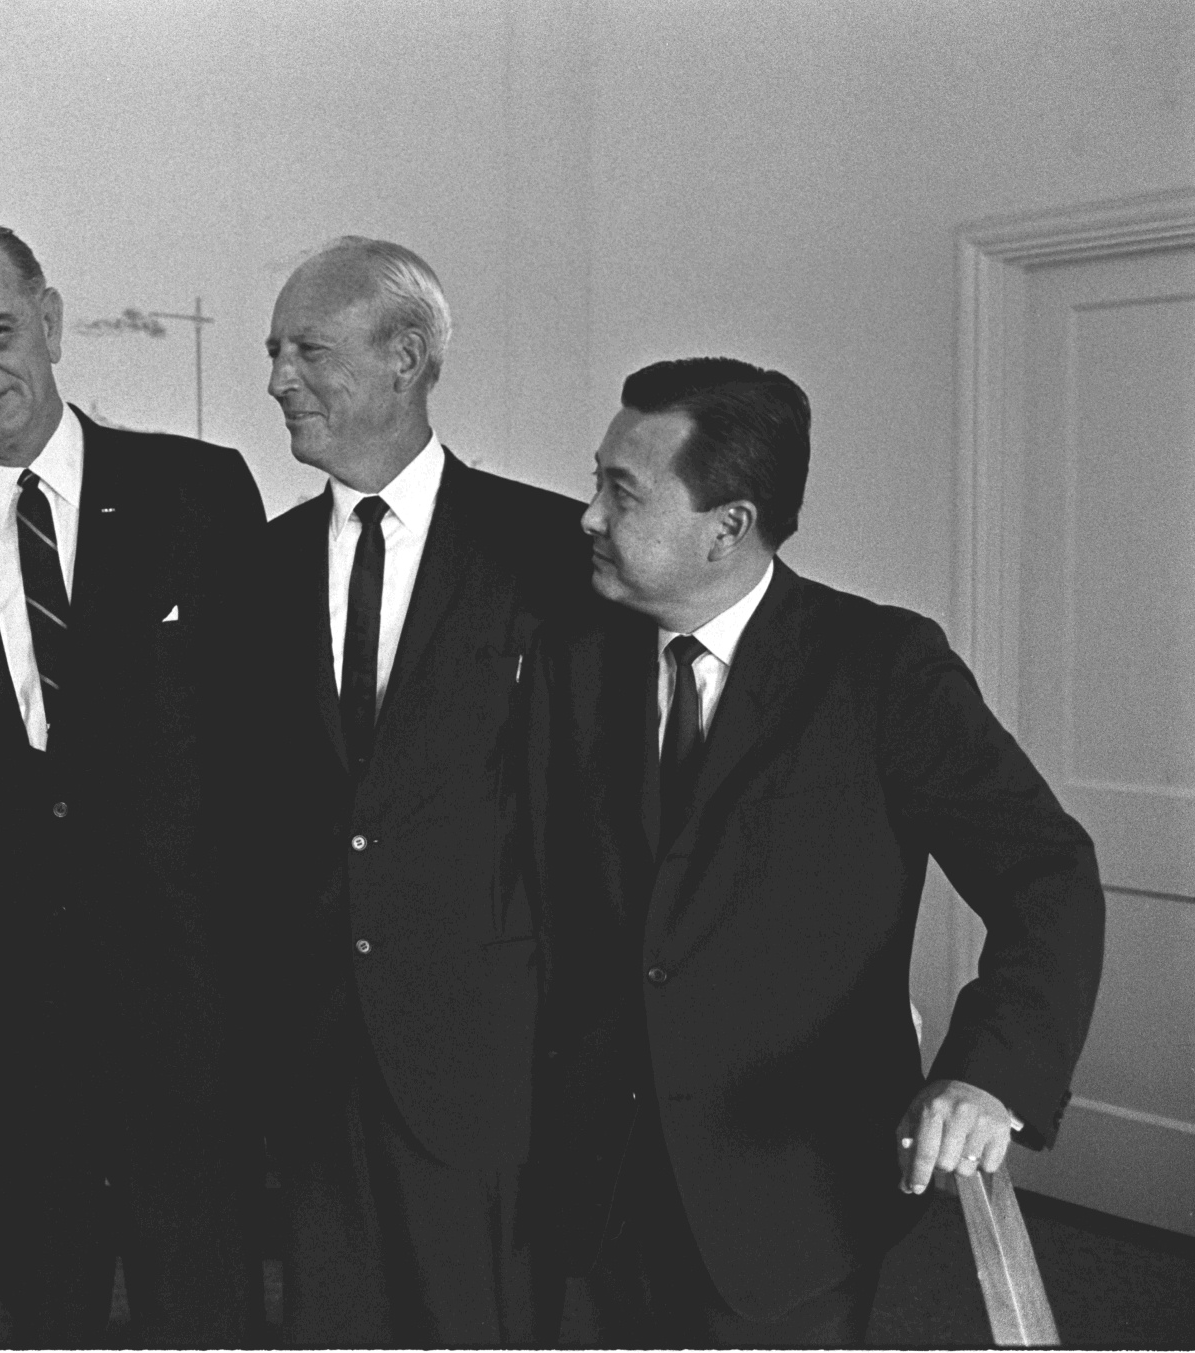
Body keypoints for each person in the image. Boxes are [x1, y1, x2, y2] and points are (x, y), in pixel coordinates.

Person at [526, 357, 1106, 1347]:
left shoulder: (883, 670)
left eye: (620, 491)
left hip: (786, 1200)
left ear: (728, 526)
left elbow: (1043, 874)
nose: (586, 515)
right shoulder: (569, 656)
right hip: (588, 1186)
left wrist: (988, 1075)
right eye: (596, 480)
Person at [0, 220, 266, 1346]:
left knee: (206, 1305)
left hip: (187, 1004)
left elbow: (257, 752)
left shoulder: (198, 492)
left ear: (51, 321)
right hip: (7, 1026)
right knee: (44, 1306)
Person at [256, 236, 592, 1346]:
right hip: (311, 1051)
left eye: (305, 350)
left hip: (485, 1053)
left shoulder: (548, 551)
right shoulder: (260, 564)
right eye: (273, 354)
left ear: (403, 357)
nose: (276, 381)